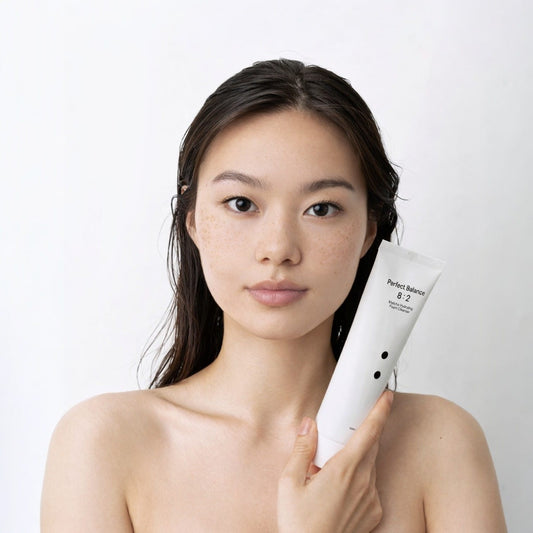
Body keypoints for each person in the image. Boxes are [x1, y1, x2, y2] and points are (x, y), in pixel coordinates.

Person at [41, 58, 507, 532]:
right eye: (242, 203)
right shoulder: (104, 445)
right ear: (194, 220)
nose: (279, 248)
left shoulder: (440, 444)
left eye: (321, 208)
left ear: (369, 231)